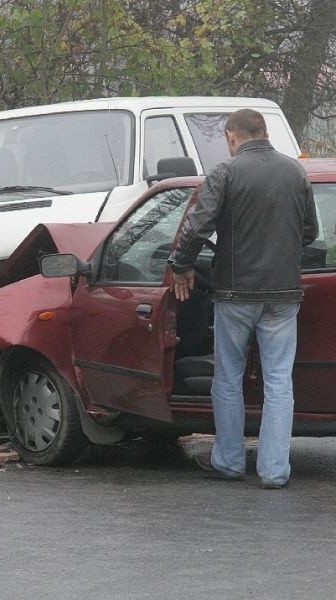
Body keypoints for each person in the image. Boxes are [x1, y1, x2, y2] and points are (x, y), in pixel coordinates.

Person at [167, 108, 318, 489]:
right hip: (283, 293)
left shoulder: (226, 172)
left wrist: (182, 265)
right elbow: (310, 232)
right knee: (280, 381)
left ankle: (230, 461)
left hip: (234, 293)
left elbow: (198, 225)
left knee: (229, 378)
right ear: (264, 131)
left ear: (232, 137)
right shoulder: (295, 172)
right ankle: (274, 471)